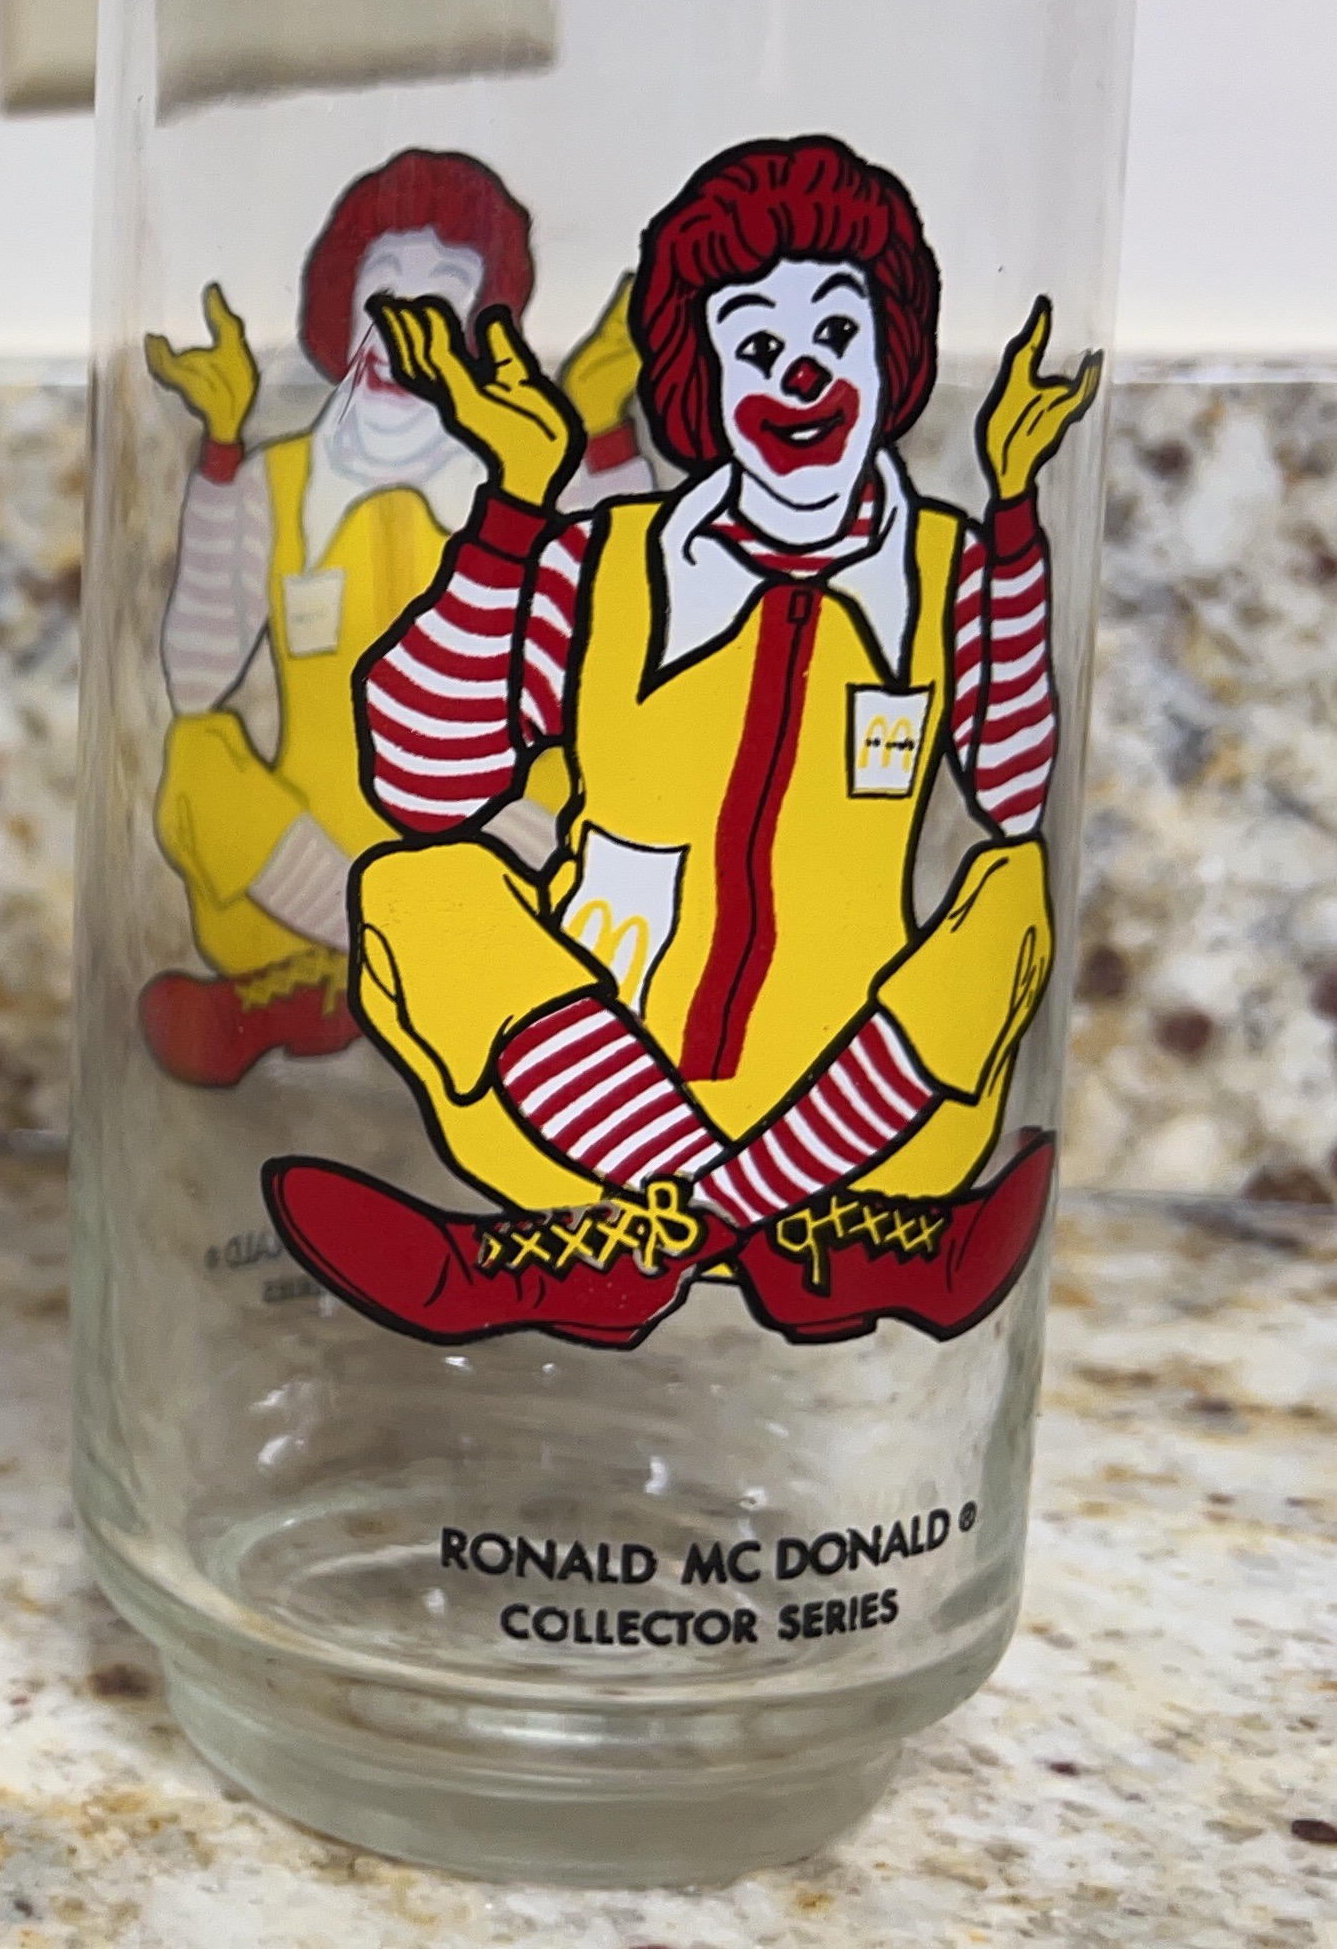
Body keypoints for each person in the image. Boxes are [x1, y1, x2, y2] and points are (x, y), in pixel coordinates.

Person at [264, 134, 1095, 1349]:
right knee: (414, 887)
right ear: (702, 377)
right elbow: (424, 782)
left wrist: (1014, 514)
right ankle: (800, 1244)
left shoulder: (948, 569)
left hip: (868, 1113)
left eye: (833, 333)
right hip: (577, 1112)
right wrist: (514, 504)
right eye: (753, 345)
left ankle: (593, 1258)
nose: (797, 375)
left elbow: (1014, 791)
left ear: (889, 353)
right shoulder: (604, 561)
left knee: (1010, 891)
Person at [137, 151, 650, 1086]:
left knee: (600, 763)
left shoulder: (528, 468)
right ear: (344, 310)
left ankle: (324, 993)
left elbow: (630, 635)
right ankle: (389, 959)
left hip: (485, 850)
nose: (405, 330)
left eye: (441, 304)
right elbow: (195, 679)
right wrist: (221, 448)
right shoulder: (277, 482)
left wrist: (604, 433)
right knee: (197, 757)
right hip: (305, 875)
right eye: (384, 296)